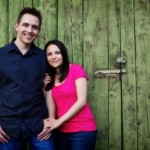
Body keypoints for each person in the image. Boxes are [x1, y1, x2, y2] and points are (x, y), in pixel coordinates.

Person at [0, 7, 55, 150]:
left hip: (39, 127)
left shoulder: (44, 57)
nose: (30, 30)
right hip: (8, 128)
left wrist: (52, 120)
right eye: (25, 25)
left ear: (38, 31)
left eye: (34, 27)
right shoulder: (1, 56)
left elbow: (50, 90)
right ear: (17, 25)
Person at [41, 39, 97, 150]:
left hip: (82, 131)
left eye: (57, 53)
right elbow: (50, 106)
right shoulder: (50, 77)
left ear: (63, 54)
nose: (53, 57)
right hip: (61, 131)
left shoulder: (76, 69)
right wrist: (45, 88)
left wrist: (58, 122)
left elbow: (81, 101)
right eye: (49, 54)